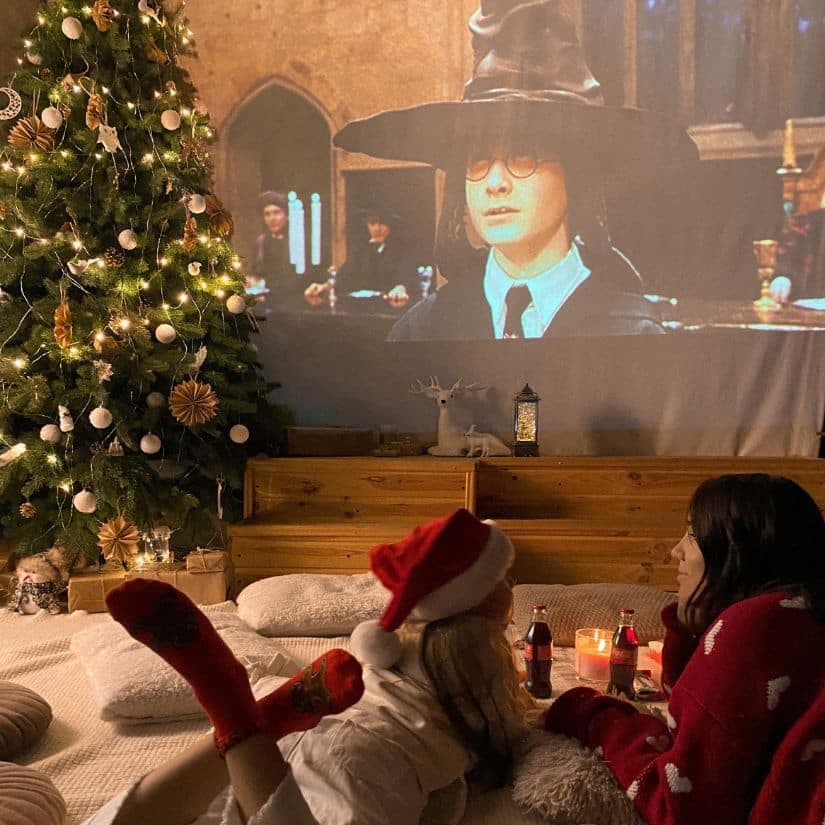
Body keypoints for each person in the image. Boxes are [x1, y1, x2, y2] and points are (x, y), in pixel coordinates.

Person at [83, 508, 532, 825]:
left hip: (308, 735)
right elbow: (503, 736)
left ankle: (252, 716)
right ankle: (238, 713)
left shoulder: (395, 644)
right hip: (370, 763)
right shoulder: (478, 661)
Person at [333, 0, 699, 341]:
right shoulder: (421, 332)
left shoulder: (631, 337)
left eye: (523, 157)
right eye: (477, 162)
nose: (494, 183)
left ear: (576, 173)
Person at [544, 474, 825, 825]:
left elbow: (678, 808)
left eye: (692, 535)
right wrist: (690, 628)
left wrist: (593, 716)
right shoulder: (803, 614)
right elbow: (702, 720)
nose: (676, 551)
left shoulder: (757, 625)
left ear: (735, 551)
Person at [303, 207, 419, 311]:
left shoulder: (400, 250)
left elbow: (408, 276)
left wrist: (401, 287)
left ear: (390, 226)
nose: (377, 228)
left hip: (390, 310)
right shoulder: (360, 250)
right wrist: (325, 287)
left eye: (382, 224)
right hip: (360, 310)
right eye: (372, 223)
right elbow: (344, 277)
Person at [249, 191, 305, 310]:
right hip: (267, 303)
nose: (272, 218)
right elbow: (256, 273)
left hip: (294, 303)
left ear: (286, 215)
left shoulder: (297, 241)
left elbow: (299, 279)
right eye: (267, 214)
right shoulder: (261, 242)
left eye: (276, 213)